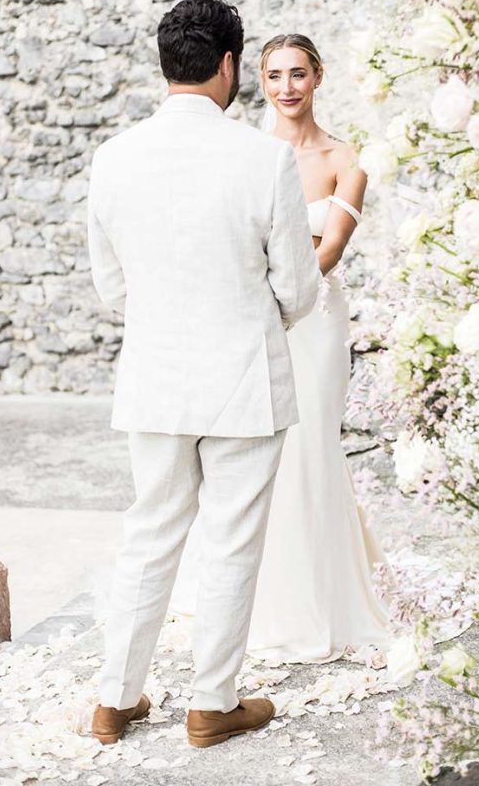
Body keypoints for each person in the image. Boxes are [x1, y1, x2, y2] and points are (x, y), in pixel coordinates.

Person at [87, 0, 321, 748]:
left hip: (153, 376)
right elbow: (298, 287)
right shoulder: (263, 157)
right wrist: (250, 319)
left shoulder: (112, 157)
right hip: (244, 378)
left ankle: (114, 700)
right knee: (230, 540)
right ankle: (211, 705)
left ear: (167, 65)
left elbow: (111, 288)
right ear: (229, 65)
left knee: (149, 534)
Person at [172, 33, 391, 663]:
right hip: (253, 320)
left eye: (298, 73)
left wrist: (275, 301)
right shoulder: (245, 151)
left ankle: (319, 599)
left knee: (310, 444)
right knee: (251, 448)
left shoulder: (346, 158)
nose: (286, 87)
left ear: (318, 76)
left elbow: (330, 249)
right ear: (259, 81)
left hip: (314, 322)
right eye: (274, 75)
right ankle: (244, 597)